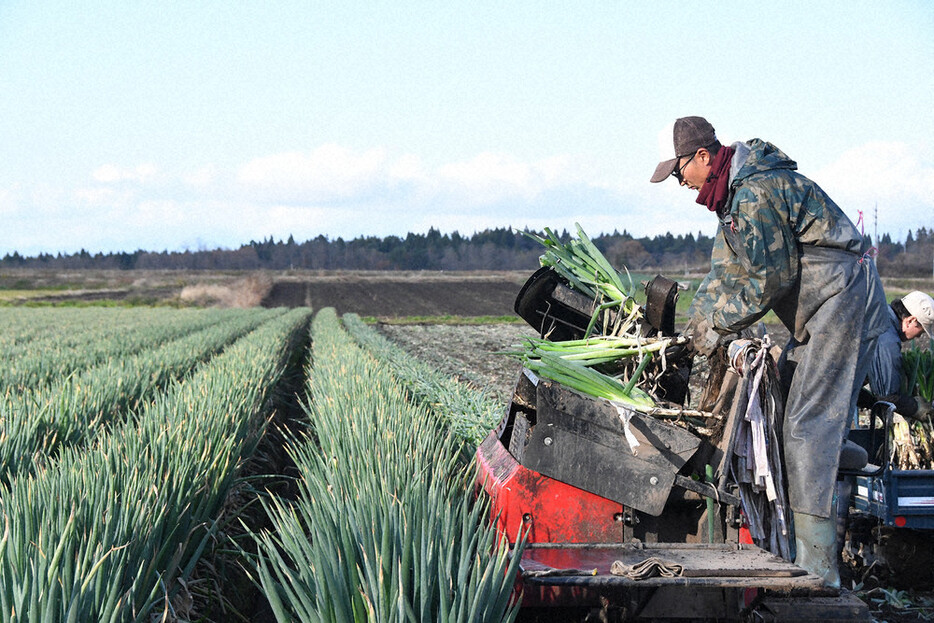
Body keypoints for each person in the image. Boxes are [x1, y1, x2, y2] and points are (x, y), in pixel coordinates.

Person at [650, 116, 888, 587]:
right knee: (794, 419)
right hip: (819, 310)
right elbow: (723, 278)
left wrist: (716, 329)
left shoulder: (755, 193)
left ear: (702, 157)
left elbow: (767, 280)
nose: (678, 182)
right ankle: (835, 463)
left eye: (678, 171)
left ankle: (818, 573)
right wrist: (687, 334)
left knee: (806, 428)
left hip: (841, 301)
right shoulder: (731, 202)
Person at [863, 290, 934, 418]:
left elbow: (848, 388)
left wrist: (873, 404)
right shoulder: (886, 337)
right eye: (921, 331)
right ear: (911, 320)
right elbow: (887, 395)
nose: (918, 337)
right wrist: (916, 407)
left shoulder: (878, 316)